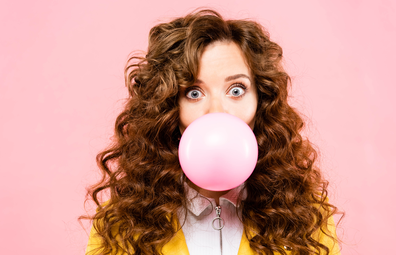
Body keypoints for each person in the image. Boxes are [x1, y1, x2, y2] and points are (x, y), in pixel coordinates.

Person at [83, 9, 342, 255]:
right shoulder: (120, 226)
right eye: (194, 93)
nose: (217, 111)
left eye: (237, 90)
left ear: (261, 101)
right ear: (169, 107)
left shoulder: (306, 220)